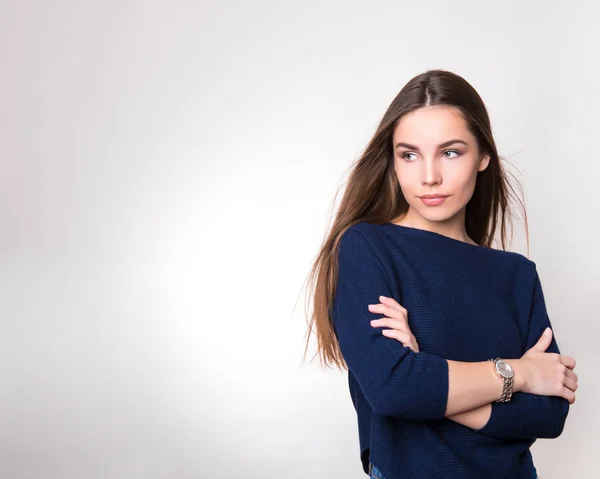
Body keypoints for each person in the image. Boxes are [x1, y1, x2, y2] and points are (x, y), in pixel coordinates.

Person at [302, 69, 578, 479]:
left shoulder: (516, 274)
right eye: (408, 154)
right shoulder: (367, 248)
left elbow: (548, 414)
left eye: (450, 152)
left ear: (483, 156)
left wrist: (426, 373)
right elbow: (393, 390)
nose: (428, 175)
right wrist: (519, 373)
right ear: (392, 160)